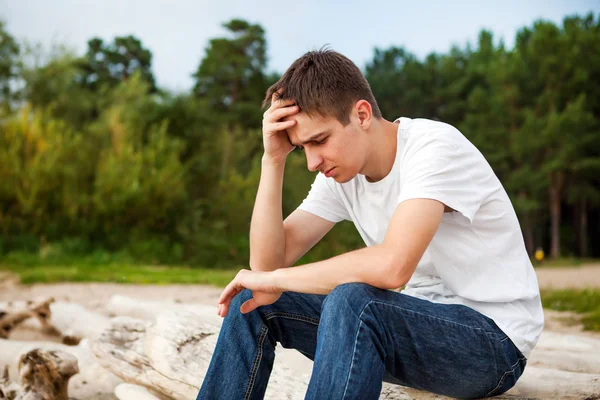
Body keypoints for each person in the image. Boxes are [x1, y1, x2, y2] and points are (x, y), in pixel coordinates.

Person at [196, 49, 544, 399]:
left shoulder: (434, 148)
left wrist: (270, 278)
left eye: (319, 140)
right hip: (415, 330)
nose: (313, 162)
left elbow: (393, 267)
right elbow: (267, 266)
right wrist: (272, 161)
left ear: (361, 114)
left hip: (493, 343)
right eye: (302, 148)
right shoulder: (341, 176)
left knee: (353, 300)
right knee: (253, 303)